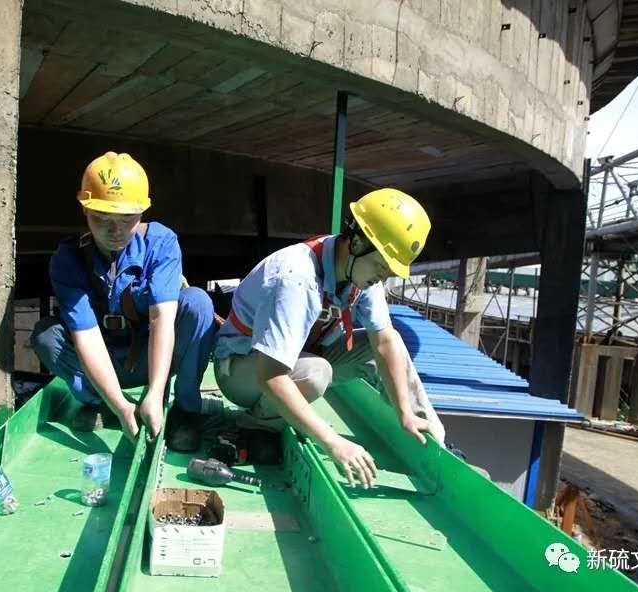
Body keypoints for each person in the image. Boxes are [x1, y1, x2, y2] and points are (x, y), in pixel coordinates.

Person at [213, 188, 446, 488]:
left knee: (392, 344)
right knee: (316, 373)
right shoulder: (296, 278)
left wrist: (404, 411)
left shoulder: (359, 272)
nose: (383, 277)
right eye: (381, 267)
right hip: (240, 369)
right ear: (357, 243)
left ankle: (432, 442)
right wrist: (333, 442)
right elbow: (270, 375)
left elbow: (384, 341)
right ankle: (255, 424)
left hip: (299, 358)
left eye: (389, 271)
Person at [31, 152, 216, 451]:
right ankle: (103, 402)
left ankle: (184, 411)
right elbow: (86, 337)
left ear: (142, 212)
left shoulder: (161, 243)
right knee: (47, 335)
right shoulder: (68, 259)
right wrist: (120, 405)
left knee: (197, 303)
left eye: (127, 219)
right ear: (84, 209)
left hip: (151, 359)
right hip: (103, 362)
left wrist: (155, 391)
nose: (114, 231)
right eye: (101, 218)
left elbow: (161, 318)